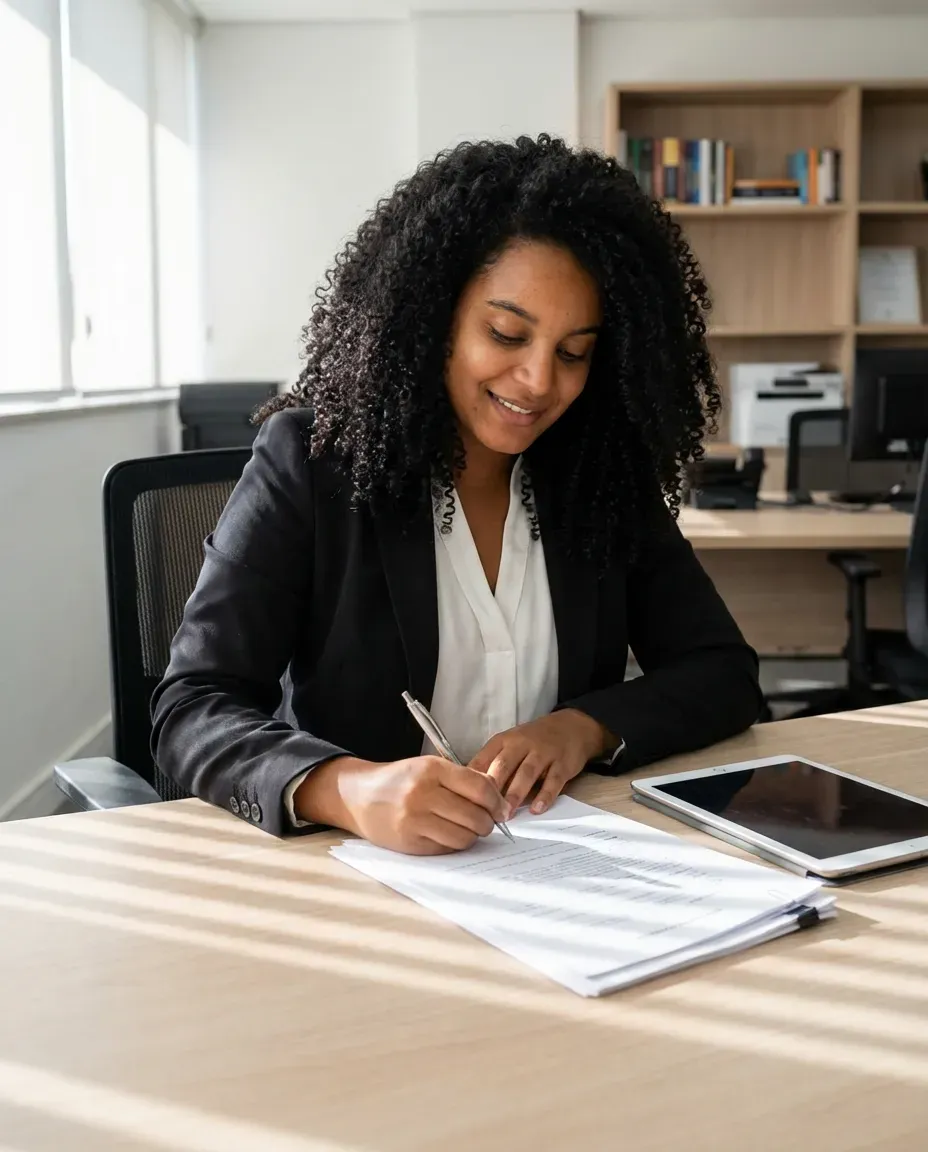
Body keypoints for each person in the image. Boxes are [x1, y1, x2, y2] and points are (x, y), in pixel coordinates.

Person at [151, 134, 762, 855]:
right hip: (355, 875)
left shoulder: (602, 481)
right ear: (432, 314)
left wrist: (582, 727)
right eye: (507, 333)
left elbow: (723, 672)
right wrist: (344, 788)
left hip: (554, 865)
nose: (539, 381)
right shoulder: (311, 464)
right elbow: (190, 708)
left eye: (574, 353)